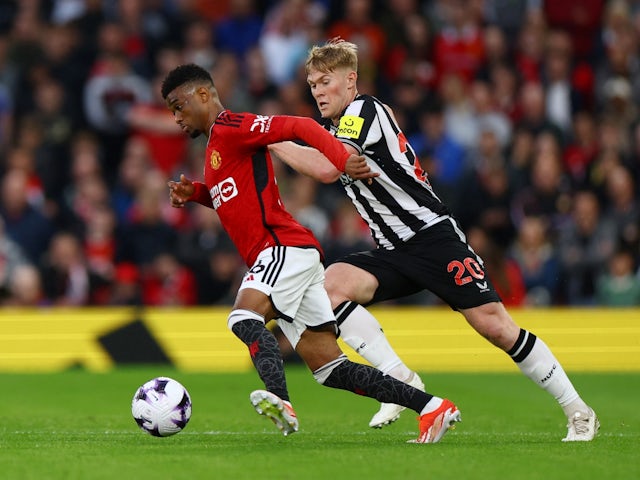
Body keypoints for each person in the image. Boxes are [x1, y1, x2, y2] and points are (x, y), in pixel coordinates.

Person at [269, 39, 599, 441]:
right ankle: (400, 379)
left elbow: (324, 168)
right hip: (393, 249)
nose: (317, 91)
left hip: (432, 238)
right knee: (328, 289)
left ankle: (578, 409)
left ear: (350, 80)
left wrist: (269, 138)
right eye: (312, 84)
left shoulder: (364, 111)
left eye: (325, 81)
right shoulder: (334, 127)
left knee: (495, 328)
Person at [162, 63, 461, 443]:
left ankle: (280, 401)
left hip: (282, 248)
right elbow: (236, 203)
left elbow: (300, 126)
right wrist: (198, 194)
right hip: (291, 255)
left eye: (178, 105)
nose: (176, 117)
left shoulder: (232, 125)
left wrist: (339, 156)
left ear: (203, 95)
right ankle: (432, 407)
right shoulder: (216, 147)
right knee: (329, 368)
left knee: (242, 317)